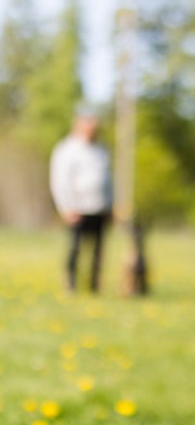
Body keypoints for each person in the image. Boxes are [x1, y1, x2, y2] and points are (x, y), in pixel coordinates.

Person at [50, 106, 113, 293]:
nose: (92, 130)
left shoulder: (101, 149)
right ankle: (71, 284)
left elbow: (109, 179)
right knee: (75, 249)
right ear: (79, 125)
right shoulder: (66, 149)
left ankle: (94, 285)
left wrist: (110, 204)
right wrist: (66, 206)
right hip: (77, 208)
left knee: (98, 251)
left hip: (99, 207)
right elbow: (60, 180)